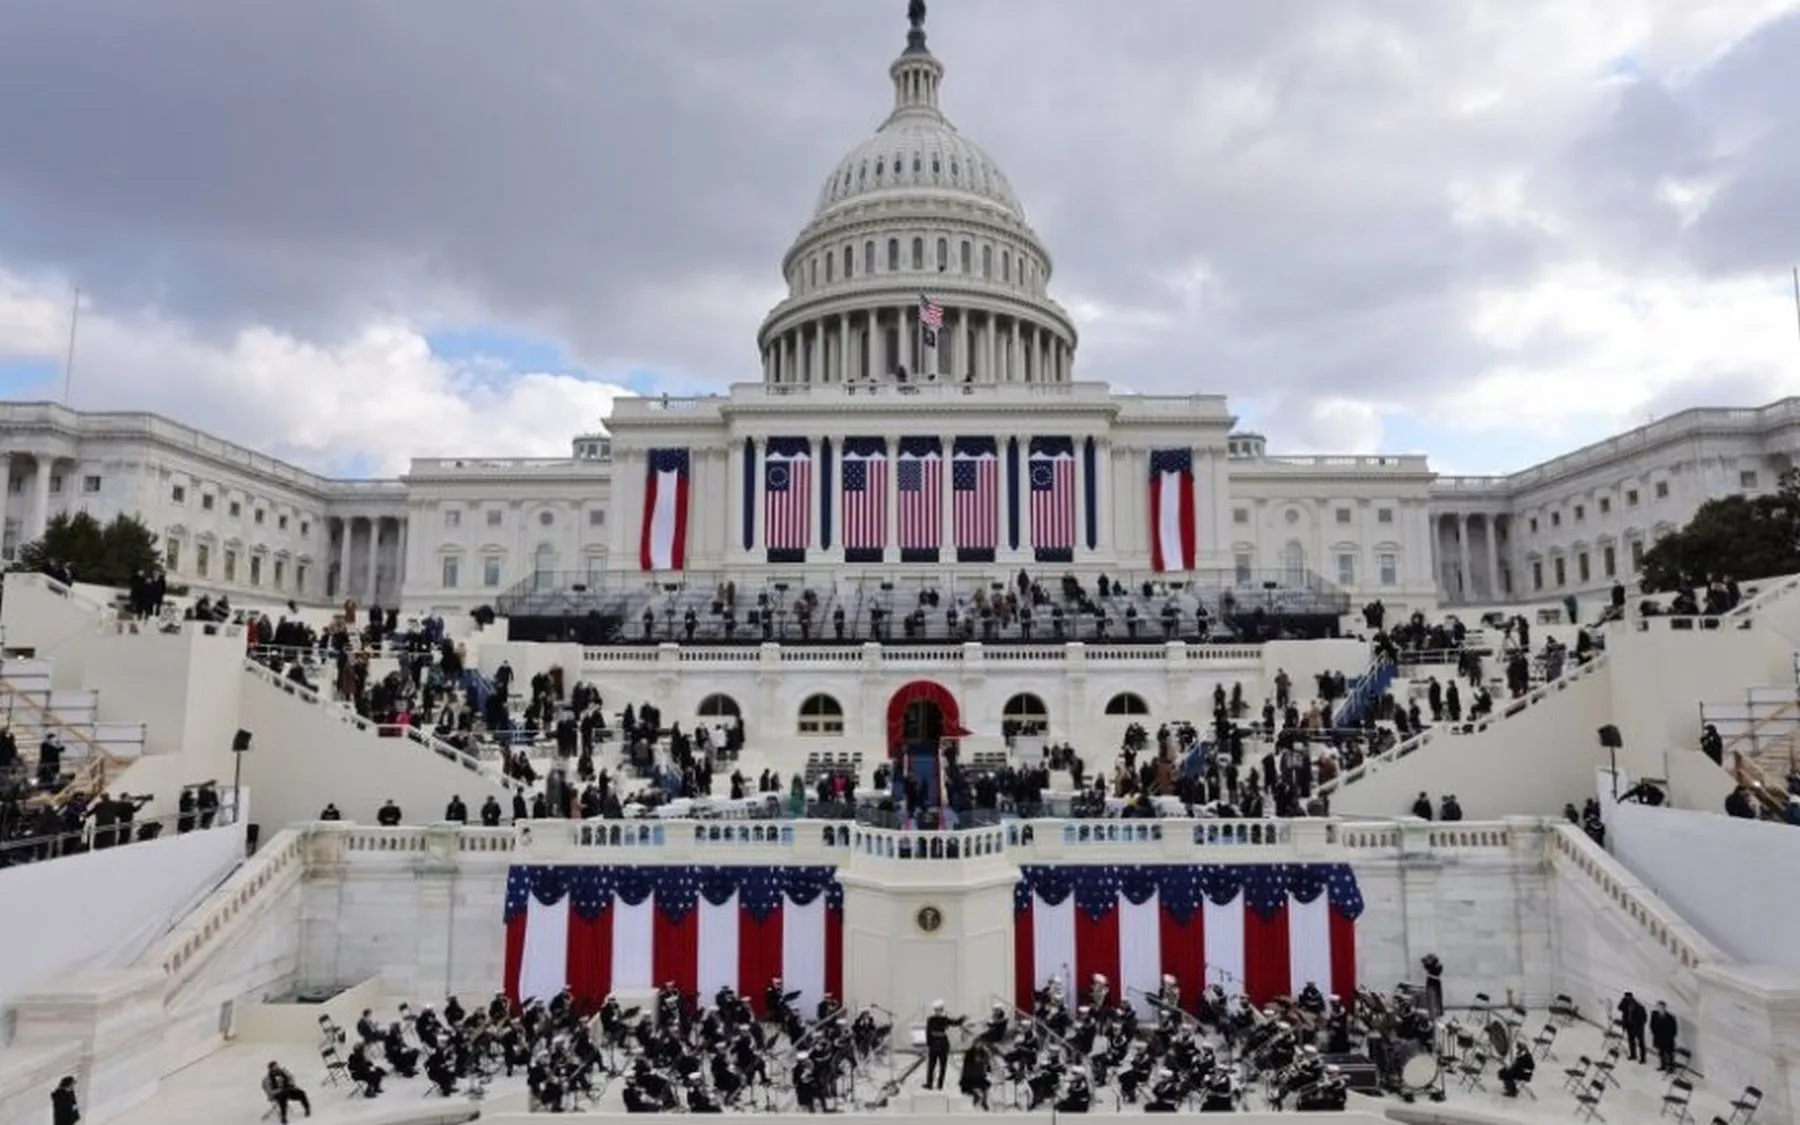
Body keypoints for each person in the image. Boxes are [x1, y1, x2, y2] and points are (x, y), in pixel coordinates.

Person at [923, 999, 964, 1091]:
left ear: (942, 1009)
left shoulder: (944, 1019)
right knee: (931, 1066)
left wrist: (961, 1019)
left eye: (939, 1009)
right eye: (936, 1009)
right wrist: (929, 1044)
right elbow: (928, 1032)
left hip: (942, 1045)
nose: (937, 1011)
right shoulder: (931, 1019)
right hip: (935, 1045)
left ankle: (940, 1085)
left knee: (942, 1066)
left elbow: (955, 1023)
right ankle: (929, 1084)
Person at [1617, 992, 1648, 1063]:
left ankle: (1643, 1058)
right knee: (1631, 1041)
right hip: (1629, 1026)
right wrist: (1623, 1001)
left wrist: (1639, 1025)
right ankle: (1633, 1054)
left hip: (1638, 1027)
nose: (1626, 999)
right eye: (1625, 997)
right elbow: (1619, 1008)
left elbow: (1644, 1019)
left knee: (1641, 1043)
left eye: (1627, 997)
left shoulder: (1639, 1007)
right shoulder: (1625, 1004)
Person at [1650, 1001, 1679, 1072]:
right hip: (1659, 1037)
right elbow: (1652, 1025)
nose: (1660, 1009)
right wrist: (1655, 1033)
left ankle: (1671, 1067)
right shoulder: (1654, 1015)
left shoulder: (1670, 1017)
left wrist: (1671, 1037)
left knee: (1670, 1053)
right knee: (1661, 1052)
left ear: (1665, 1008)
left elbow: (1674, 1029)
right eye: (1659, 1007)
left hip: (1668, 1038)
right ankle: (1663, 1066)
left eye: (1662, 1007)